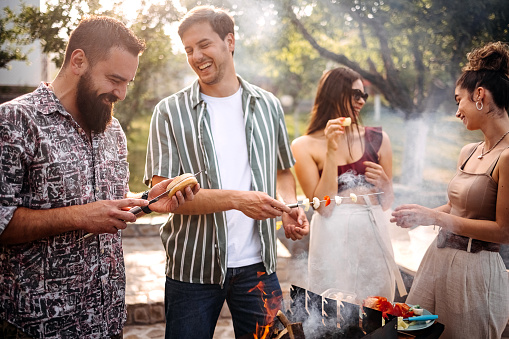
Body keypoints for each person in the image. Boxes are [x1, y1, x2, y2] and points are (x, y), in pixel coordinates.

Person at [0, 16, 198, 339]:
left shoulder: (113, 132)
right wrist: (79, 216)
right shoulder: (15, 121)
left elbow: (111, 204)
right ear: (78, 61)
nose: (121, 93)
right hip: (39, 328)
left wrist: (148, 202)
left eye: (127, 84)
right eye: (114, 79)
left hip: (107, 323)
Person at [143, 5, 309, 339]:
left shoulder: (269, 105)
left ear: (229, 41)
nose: (196, 56)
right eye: (189, 50)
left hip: (260, 268)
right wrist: (237, 200)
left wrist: (289, 206)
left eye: (204, 44)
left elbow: (283, 170)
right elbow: (160, 195)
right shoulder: (169, 112)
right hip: (192, 268)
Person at [391, 42, 509, 338]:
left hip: (476, 274)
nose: (457, 110)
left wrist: (436, 218)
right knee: (408, 333)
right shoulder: (469, 151)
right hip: (436, 262)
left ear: (479, 95)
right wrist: (422, 215)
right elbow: (455, 207)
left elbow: (503, 231)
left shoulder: (507, 157)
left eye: (460, 100)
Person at [291, 67, 406, 303]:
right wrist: (331, 152)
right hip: (331, 239)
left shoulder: (379, 139)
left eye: (364, 95)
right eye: (355, 95)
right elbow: (324, 208)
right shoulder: (304, 146)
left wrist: (385, 183)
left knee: (377, 308)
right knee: (332, 310)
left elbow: (387, 202)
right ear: (333, 94)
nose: (361, 101)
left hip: (372, 235)